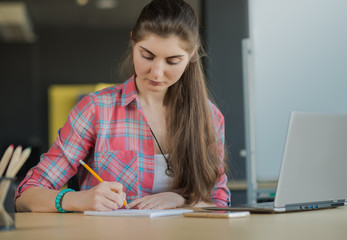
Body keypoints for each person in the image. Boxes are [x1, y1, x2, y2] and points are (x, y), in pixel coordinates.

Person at [15, 0, 231, 212]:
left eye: (172, 61)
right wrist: (78, 199)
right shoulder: (95, 110)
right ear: (133, 42)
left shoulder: (209, 117)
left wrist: (179, 199)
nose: (156, 72)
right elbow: (26, 194)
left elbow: (219, 200)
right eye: (147, 55)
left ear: (192, 54)